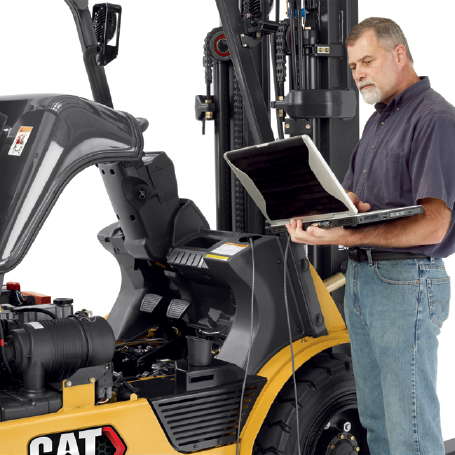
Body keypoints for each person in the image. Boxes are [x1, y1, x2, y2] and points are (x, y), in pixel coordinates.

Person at [286, 17, 455, 455]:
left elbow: (435, 223)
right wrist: (336, 210)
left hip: (405, 282)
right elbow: (364, 204)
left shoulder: (434, 118)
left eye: (367, 61)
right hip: (364, 281)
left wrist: (346, 235)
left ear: (399, 54)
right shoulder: (378, 121)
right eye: (353, 65)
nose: (358, 73)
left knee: (409, 433)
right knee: (377, 426)